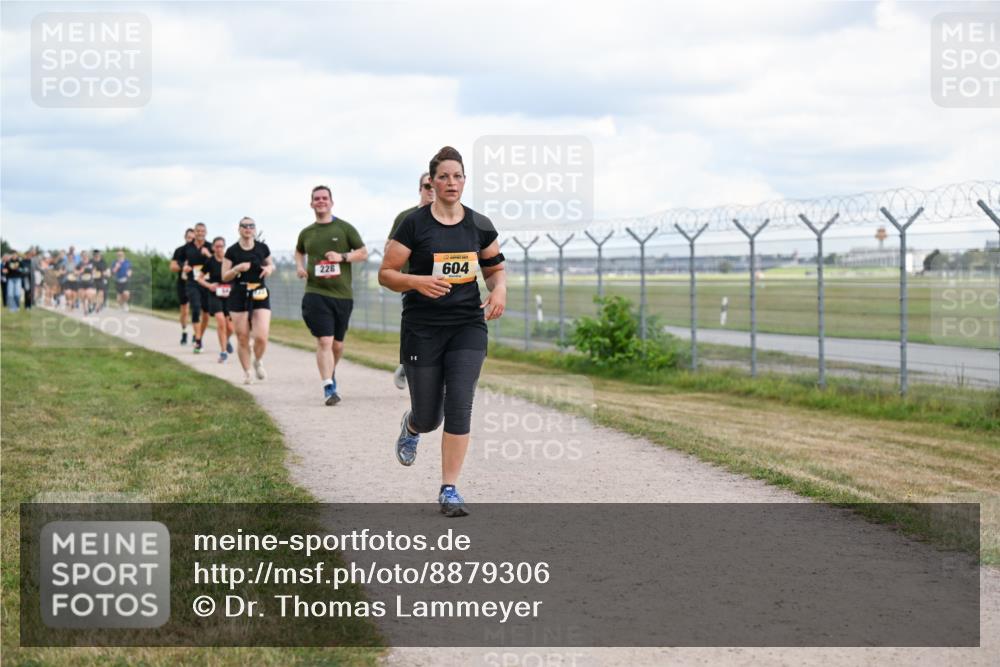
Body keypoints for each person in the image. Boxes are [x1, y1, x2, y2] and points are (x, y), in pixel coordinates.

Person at [379, 146, 507, 517]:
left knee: (460, 403)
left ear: (465, 181)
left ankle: (449, 489)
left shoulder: (479, 225)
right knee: (430, 415)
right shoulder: (414, 225)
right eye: (444, 176)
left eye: (458, 176)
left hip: (467, 325)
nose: (451, 183)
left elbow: (495, 268)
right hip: (423, 329)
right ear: (432, 182)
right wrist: (418, 282)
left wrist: (499, 289)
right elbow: (386, 274)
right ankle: (413, 424)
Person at [294, 185, 368, 405]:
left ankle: (330, 372)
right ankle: (328, 386)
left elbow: (363, 253)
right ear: (311, 203)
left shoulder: (344, 228)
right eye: (316, 198)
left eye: (324, 198)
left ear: (331, 202)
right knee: (324, 341)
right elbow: (299, 251)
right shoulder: (307, 232)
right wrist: (300, 266)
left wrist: (342, 257)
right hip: (316, 292)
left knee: (337, 345)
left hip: (342, 295)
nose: (321, 201)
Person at [386, 172, 435, 390]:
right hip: (413, 283)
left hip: (444, 283)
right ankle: (409, 362)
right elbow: (389, 249)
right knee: (416, 328)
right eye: (427, 186)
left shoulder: (451, 216)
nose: (432, 189)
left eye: (435, 185)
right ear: (420, 189)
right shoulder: (406, 217)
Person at [223, 217, 274, 384]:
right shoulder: (232, 251)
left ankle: (257, 360)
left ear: (254, 229)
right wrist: (237, 268)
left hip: (259, 292)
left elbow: (271, 265)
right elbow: (225, 276)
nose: (248, 228)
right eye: (244, 226)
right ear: (239, 229)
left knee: (261, 336)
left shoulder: (262, 248)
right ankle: (247, 372)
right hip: (239, 294)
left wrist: (268, 269)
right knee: (243, 337)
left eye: (251, 226)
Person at [196, 236, 235, 363]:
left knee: (230, 328)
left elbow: (237, 276)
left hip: (229, 296)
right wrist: (209, 285)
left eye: (221, 246)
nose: (219, 249)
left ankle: (226, 340)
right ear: (213, 248)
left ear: (225, 246)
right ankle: (223, 352)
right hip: (215, 295)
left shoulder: (230, 261)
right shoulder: (210, 261)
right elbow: (199, 278)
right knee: (220, 321)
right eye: (217, 246)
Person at [181, 223, 212, 353]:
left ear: (206, 232)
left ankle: (198, 336)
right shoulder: (187, 248)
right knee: (195, 308)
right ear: (194, 232)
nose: (200, 233)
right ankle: (198, 341)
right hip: (192, 283)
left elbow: (218, 262)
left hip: (207, 282)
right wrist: (184, 267)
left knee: (206, 314)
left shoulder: (210, 246)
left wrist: (208, 255)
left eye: (202, 231)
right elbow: (180, 262)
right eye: (198, 231)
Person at [170, 228, 195, 344]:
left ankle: (196, 333)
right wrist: (182, 267)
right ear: (185, 238)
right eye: (188, 238)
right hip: (183, 283)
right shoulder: (179, 251)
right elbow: (172, 267)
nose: (190, 240)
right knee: (184, 310)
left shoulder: (198, 251)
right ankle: (184, 332)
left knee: (197, 309)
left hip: (196, 284)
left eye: (192, 238)